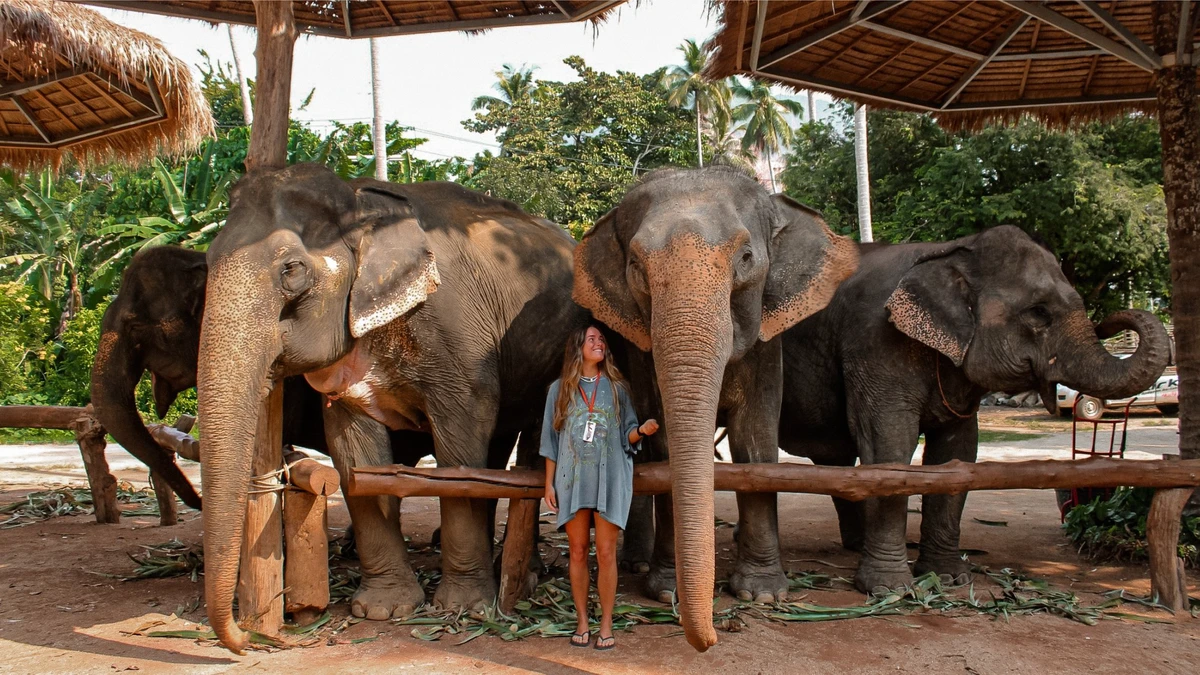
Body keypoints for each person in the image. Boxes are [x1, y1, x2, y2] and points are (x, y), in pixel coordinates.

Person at [540, 324, 658, 651]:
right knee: (577, 551)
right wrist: (548, 484)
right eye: (592, 339)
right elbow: (550, 442)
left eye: (601, 339)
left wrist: (642, 431)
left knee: (606, 553)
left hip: (610, 479)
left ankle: (605, 624)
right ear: (577, 349)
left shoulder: (618, 389)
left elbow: (628, 434)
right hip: (572, 482)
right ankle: (582, 621)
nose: (599, 343)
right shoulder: (559, 390)